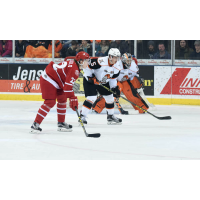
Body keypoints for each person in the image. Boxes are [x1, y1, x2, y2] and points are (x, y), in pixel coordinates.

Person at [30, 51, 91, 133]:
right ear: (80, 61)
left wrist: (72, 97)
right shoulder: (75, 70)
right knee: (50, 102)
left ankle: (61, 123)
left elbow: (66, 87)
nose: (88, 63)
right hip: (49, 78)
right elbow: (67, 88)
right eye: (87, 61)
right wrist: (72, 97)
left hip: (58, 80)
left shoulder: (75, 66)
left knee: (62, 99)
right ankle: (35, 124)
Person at [80, 48, 122, 125]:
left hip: (103, 81)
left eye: (118, 57)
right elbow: (87, 66)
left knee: (110, 97)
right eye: (115, 57)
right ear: (110, 56)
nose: (117, 59)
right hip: (91, 80)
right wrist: (90, 77)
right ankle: (82, 116)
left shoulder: (117, 67)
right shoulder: (100, 61)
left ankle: (110, 116)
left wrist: (114, 88)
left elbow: (113, 78)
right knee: (92, 98)